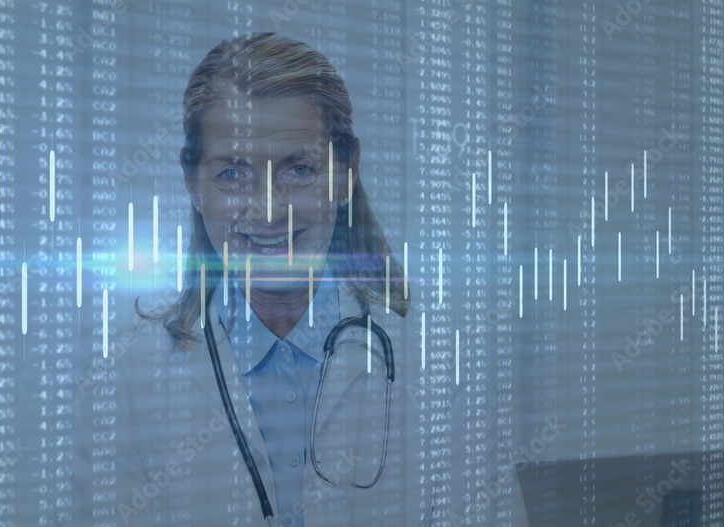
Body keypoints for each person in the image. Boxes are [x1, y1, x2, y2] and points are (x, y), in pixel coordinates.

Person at [73, 33, 528, 527]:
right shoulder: (125, 385)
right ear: (193, 184)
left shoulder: (441, 374)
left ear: (345, 172)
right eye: (232, 173)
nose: (268, 209)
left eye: (300, 168)